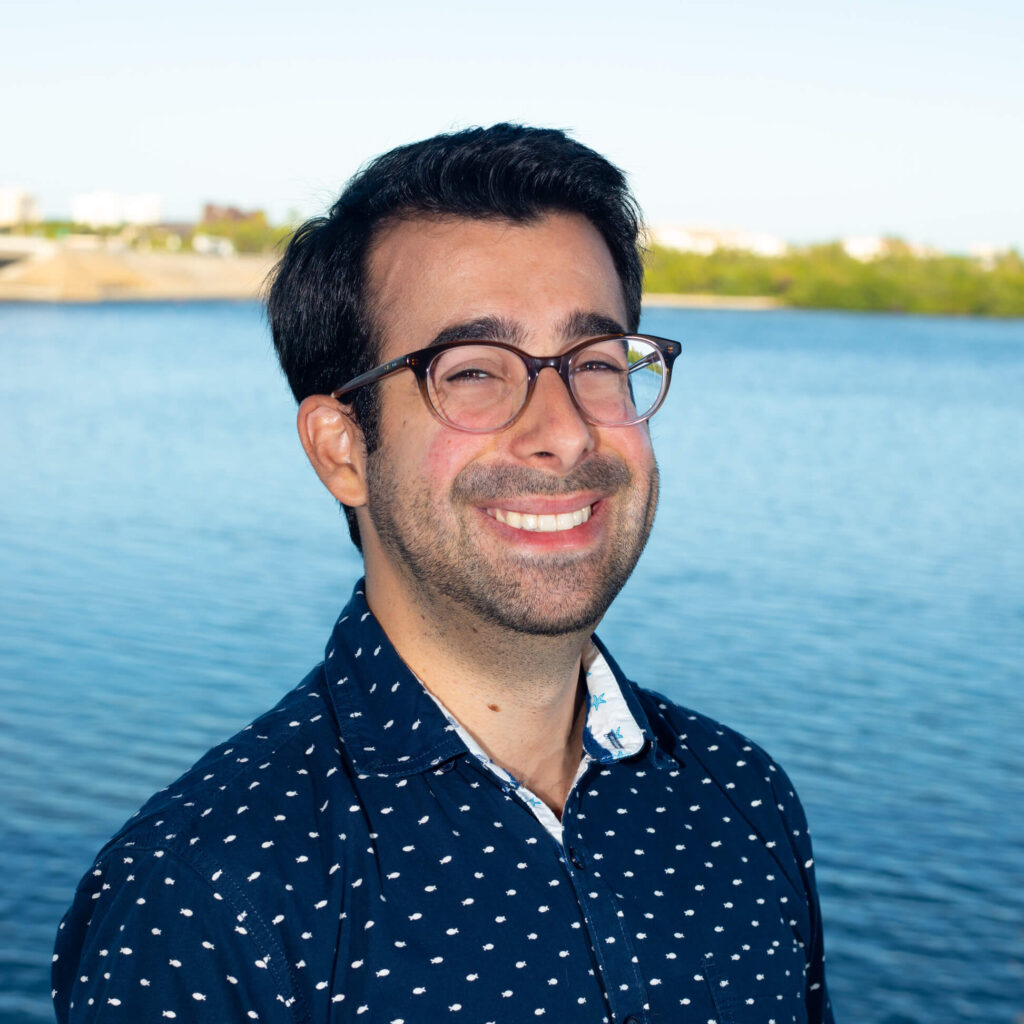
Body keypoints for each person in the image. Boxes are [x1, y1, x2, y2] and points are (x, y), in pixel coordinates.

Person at [53, 123, 832, 1023]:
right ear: (342, 450)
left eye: (596, 363)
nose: (567, 429)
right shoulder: (202, 897)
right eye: (471, 373)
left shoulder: (740, 798)